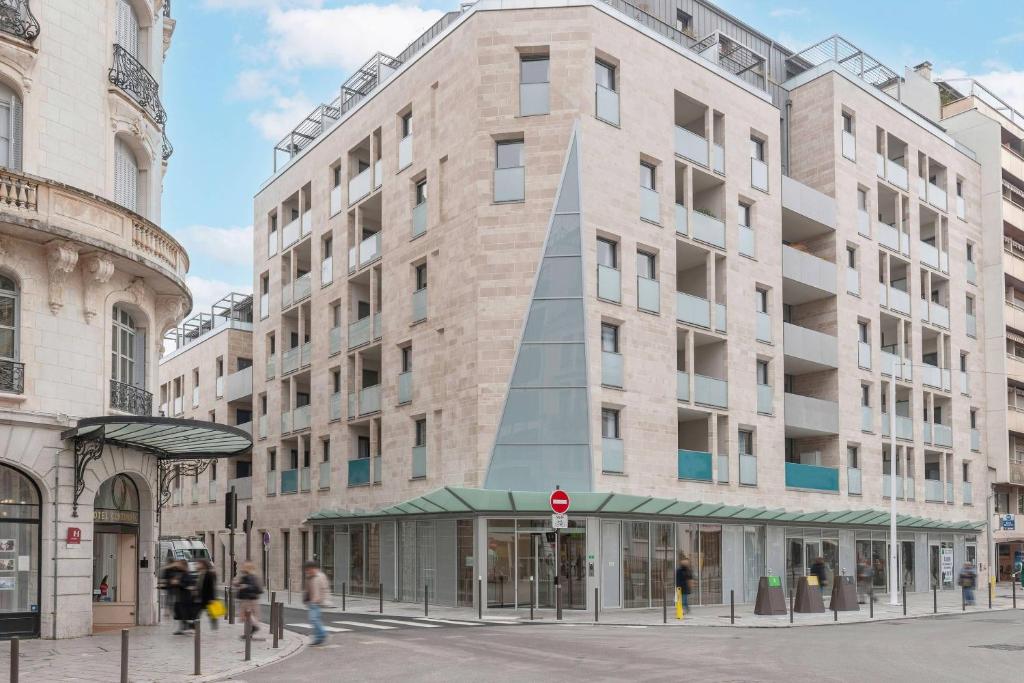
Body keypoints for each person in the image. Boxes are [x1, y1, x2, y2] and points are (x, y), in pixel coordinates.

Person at [162, 559, 194, 635]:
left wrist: (178, 583)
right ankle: (182, 629)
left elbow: (187, 584)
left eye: (179, 564)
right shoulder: (178, 572)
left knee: (185, 614)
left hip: (185, 597)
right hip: (179, 597)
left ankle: (189, 627)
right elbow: (167, 575)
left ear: (183, 565)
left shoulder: (187, 573)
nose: (178, 565)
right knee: (180, 614)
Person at [233, 561, 263, 639]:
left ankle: (254, 627)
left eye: (244, 566)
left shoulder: (250, 576)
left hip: (248, 599)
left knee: (247, 615)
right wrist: (237, 584)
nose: (242, 567)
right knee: (247, 616)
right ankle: (249, 633)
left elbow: (255, 587)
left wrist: (245, 586)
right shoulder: (248, 576)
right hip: (249, 599)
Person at [303, 560, 329, 645]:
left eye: (308, 569)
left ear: (313, 568)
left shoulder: (320, 576)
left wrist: (324, 599)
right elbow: (307, 589)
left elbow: (325, 589)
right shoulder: (310, 576)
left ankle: (322, 634)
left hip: (316, 602)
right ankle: (319, 637)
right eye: (306, 570)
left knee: (314, 619)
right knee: (314, 619)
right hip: (312, 602)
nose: (307, 571)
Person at [195, 559, 219, 630]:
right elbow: (199, 585)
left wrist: (212, 598)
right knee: (198, 612)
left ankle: (214, 626)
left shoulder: (209, 574)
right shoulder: (201, 573)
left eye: (199, 563)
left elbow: (212, 587)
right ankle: (193, 625)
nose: (197, 565)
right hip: (202, 597)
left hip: (208, 598)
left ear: (203, 565)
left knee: (210, 613)